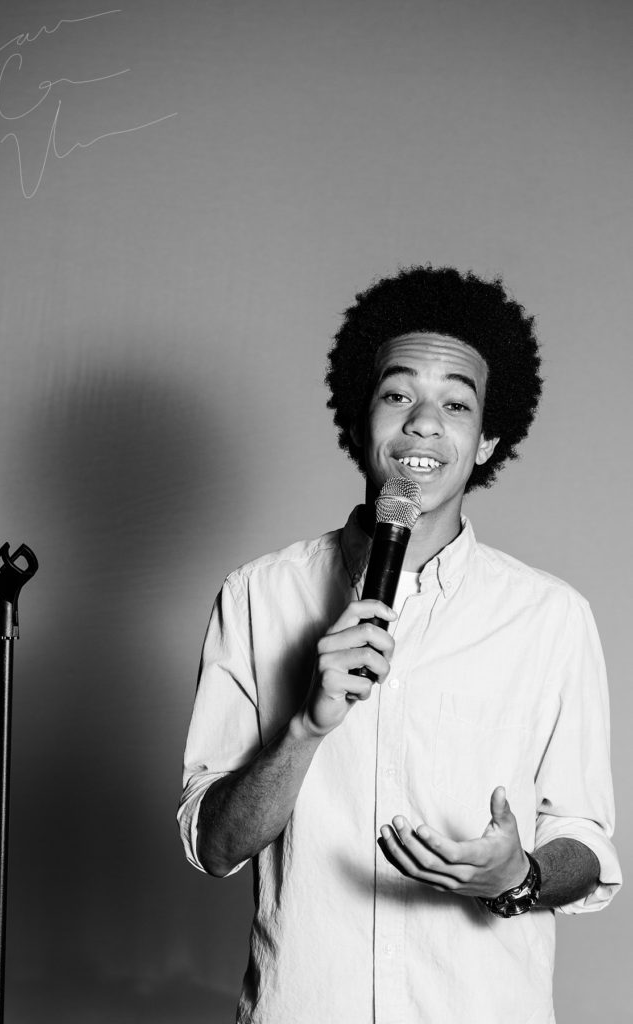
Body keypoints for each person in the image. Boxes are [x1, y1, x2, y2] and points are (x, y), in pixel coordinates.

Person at [178, 266, 621, 1023]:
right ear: (359, 420)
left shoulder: (550, 617)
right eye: (397, 394)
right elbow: (215, 846)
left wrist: (516, 874)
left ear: (485, 442)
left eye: (455, 402)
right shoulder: (258, 595)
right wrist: (305, 727)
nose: (422, 422)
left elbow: (583, 839)